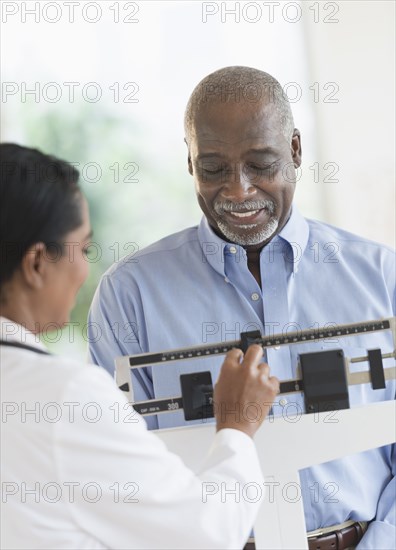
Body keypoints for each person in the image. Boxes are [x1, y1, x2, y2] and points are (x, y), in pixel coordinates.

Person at [88, 67, 396, 549]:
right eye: (213, 168)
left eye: (261, 163)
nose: (238, 190)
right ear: (189, 162)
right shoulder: (130, 296)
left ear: (295, 150)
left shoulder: (382, 276)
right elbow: (124, 474)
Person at [0, 143, 280, 550]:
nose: (86, 270)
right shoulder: (64, 396)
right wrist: (237, 425)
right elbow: (206, 534)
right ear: (38, 262)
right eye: (85, 248)